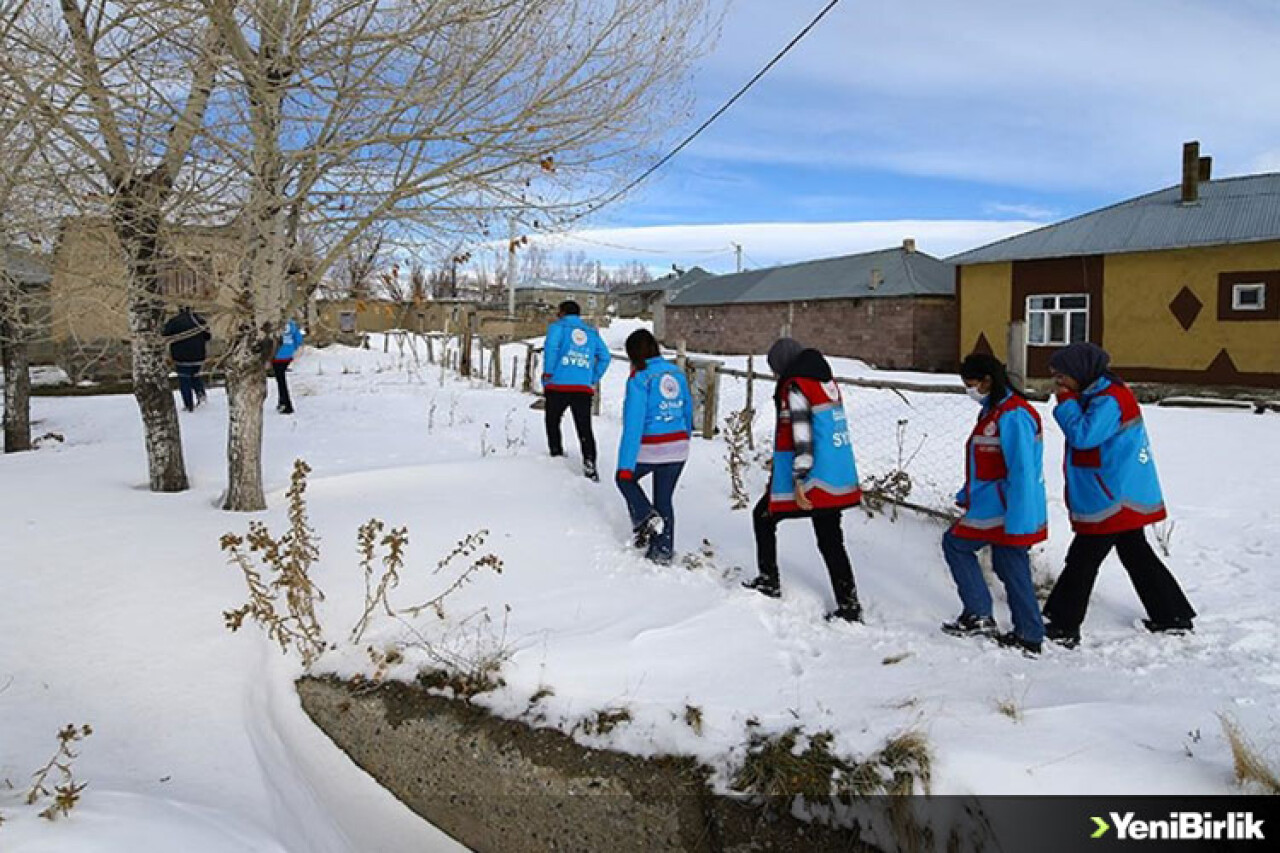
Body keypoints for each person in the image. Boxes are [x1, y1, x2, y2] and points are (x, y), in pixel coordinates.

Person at [1041, 342, 1196, 647]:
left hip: (1114, 497)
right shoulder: (1098, 394)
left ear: (1081, 372)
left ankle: (1062, 624)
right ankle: (1172, 615)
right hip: (1115, 492)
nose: (1058, 382)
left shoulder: (1110, 399)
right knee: (1136, 554)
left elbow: (1083, 436)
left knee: (1083, 559)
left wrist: (1066, 402)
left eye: (1062, 376)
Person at [742, 338, 864, 623]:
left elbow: (802, 435)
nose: (775, 376)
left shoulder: (796, 385)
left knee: (763, 517)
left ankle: (769, 580)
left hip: (812, 480)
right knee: (831, 540)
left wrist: (798, 480)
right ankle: (850, 605)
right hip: (835, 476)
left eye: (775, 370)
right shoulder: (824, 381)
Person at [941, 353, 1048, 655]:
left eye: (971, 384)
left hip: (1006, 509)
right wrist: (967, 493)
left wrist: (1020, 519)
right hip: (993, 505)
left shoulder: (1013, 415)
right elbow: (983, 461)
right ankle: (1029, 633)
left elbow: (1023, 471)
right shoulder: (993, 410)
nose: (969, 390)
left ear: (988, 380)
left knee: (956, 545)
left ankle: (980, 614)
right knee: (1010, 565)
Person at [614, 329, 693, 564]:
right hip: (678, 447)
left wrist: (626, 464)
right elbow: (688, 411)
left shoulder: (640, 378)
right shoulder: (676, 374)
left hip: (652, 447)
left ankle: (645, 520)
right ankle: (662, 550)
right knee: (664, 499)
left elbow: (633, 424)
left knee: (624, 479)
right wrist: (684, 439)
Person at [541, 300, 611, 480]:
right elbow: (605, 357)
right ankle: (589, 462)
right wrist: (592, 377)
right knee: (584, 426)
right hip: (582, 387)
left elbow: (551, 350)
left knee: (552, 420)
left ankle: (556, 454)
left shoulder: (557, 328)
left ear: (562, 312)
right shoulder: (590, 332)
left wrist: (548, 374)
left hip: (558, 384)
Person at [163, 305, 211, 412]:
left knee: (185, 380)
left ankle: (189, 404)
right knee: (196, 376)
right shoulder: (199, 320)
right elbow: (208, 336)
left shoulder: (174, 322)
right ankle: (201, 396)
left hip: (182, 357)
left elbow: (164, 334)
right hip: (198, 355)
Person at [272, 318, 305, 415]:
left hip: (277, 354)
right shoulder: (291, 323)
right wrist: (291, 348)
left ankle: (286, 404)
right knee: (281, 378)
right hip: (288, 354)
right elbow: (298, 339)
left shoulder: (274, 323)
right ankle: (281, 402)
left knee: (281, 380)